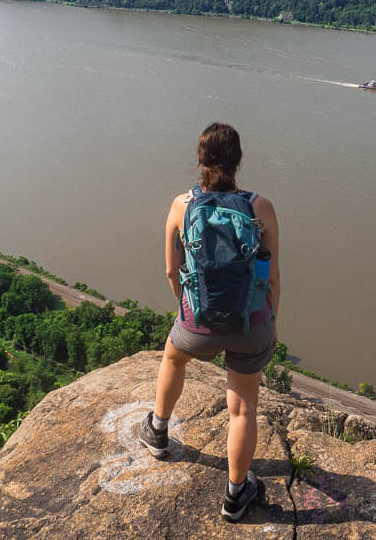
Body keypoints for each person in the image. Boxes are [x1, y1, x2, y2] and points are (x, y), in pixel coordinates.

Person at [138, 122, 281, 522]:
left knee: (172, 358)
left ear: (200, 160)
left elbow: (172, 271)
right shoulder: (261, 207)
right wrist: (271, 320)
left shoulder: (182, 205)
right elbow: (272, 276)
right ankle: (236, 495)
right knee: (243, 410)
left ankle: (158, 431)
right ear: (238, 162)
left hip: (196, 323)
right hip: (251, 324)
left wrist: (188, 314)